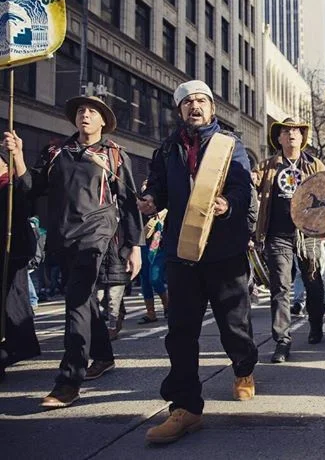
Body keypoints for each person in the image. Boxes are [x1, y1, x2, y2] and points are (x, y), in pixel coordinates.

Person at [138, 80, 258, 444]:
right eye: (188, 102)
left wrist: (228, 205)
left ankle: (243, 368)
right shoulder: (166, 149)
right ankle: (186, 407)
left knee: (234, 324)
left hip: (224, 250)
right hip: (182, 251)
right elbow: (157, 186)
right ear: (179, 111)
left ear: (212, 108)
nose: (195, 106)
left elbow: (242, 187)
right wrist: (150, 199)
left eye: (202, 100)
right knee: (180, 331)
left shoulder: (230, 144)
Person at [4, 95, 142, 407]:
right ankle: (104, 356)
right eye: (81, 110)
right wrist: (19, 156)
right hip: (62, 236)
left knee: (76, 303)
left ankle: (69, 381)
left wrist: (135, 247)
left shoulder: (114, 155)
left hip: (97, 236)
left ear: (103, 121)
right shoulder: (56, 151)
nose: (85, 115)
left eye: (93, 111)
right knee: (83, 300)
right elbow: (31, 187)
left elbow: (129, 202)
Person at [255, 118, 325, 362]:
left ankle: (316, 323)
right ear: (279, 138)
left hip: (309, 234)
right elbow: (249, 185)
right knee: (281, 287)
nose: (291, 135)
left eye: (296, 131)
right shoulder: (267, 166)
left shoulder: (314, 165)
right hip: (278, 235)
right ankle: (282, 341)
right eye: (286, 132)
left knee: (313, 283)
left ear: (302, 137)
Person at [0, 150, 41, 382]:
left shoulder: (13, 188)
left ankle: (10, 351)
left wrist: (18, 155)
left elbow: (29, 196)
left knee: (12, 310)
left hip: (11, 257)